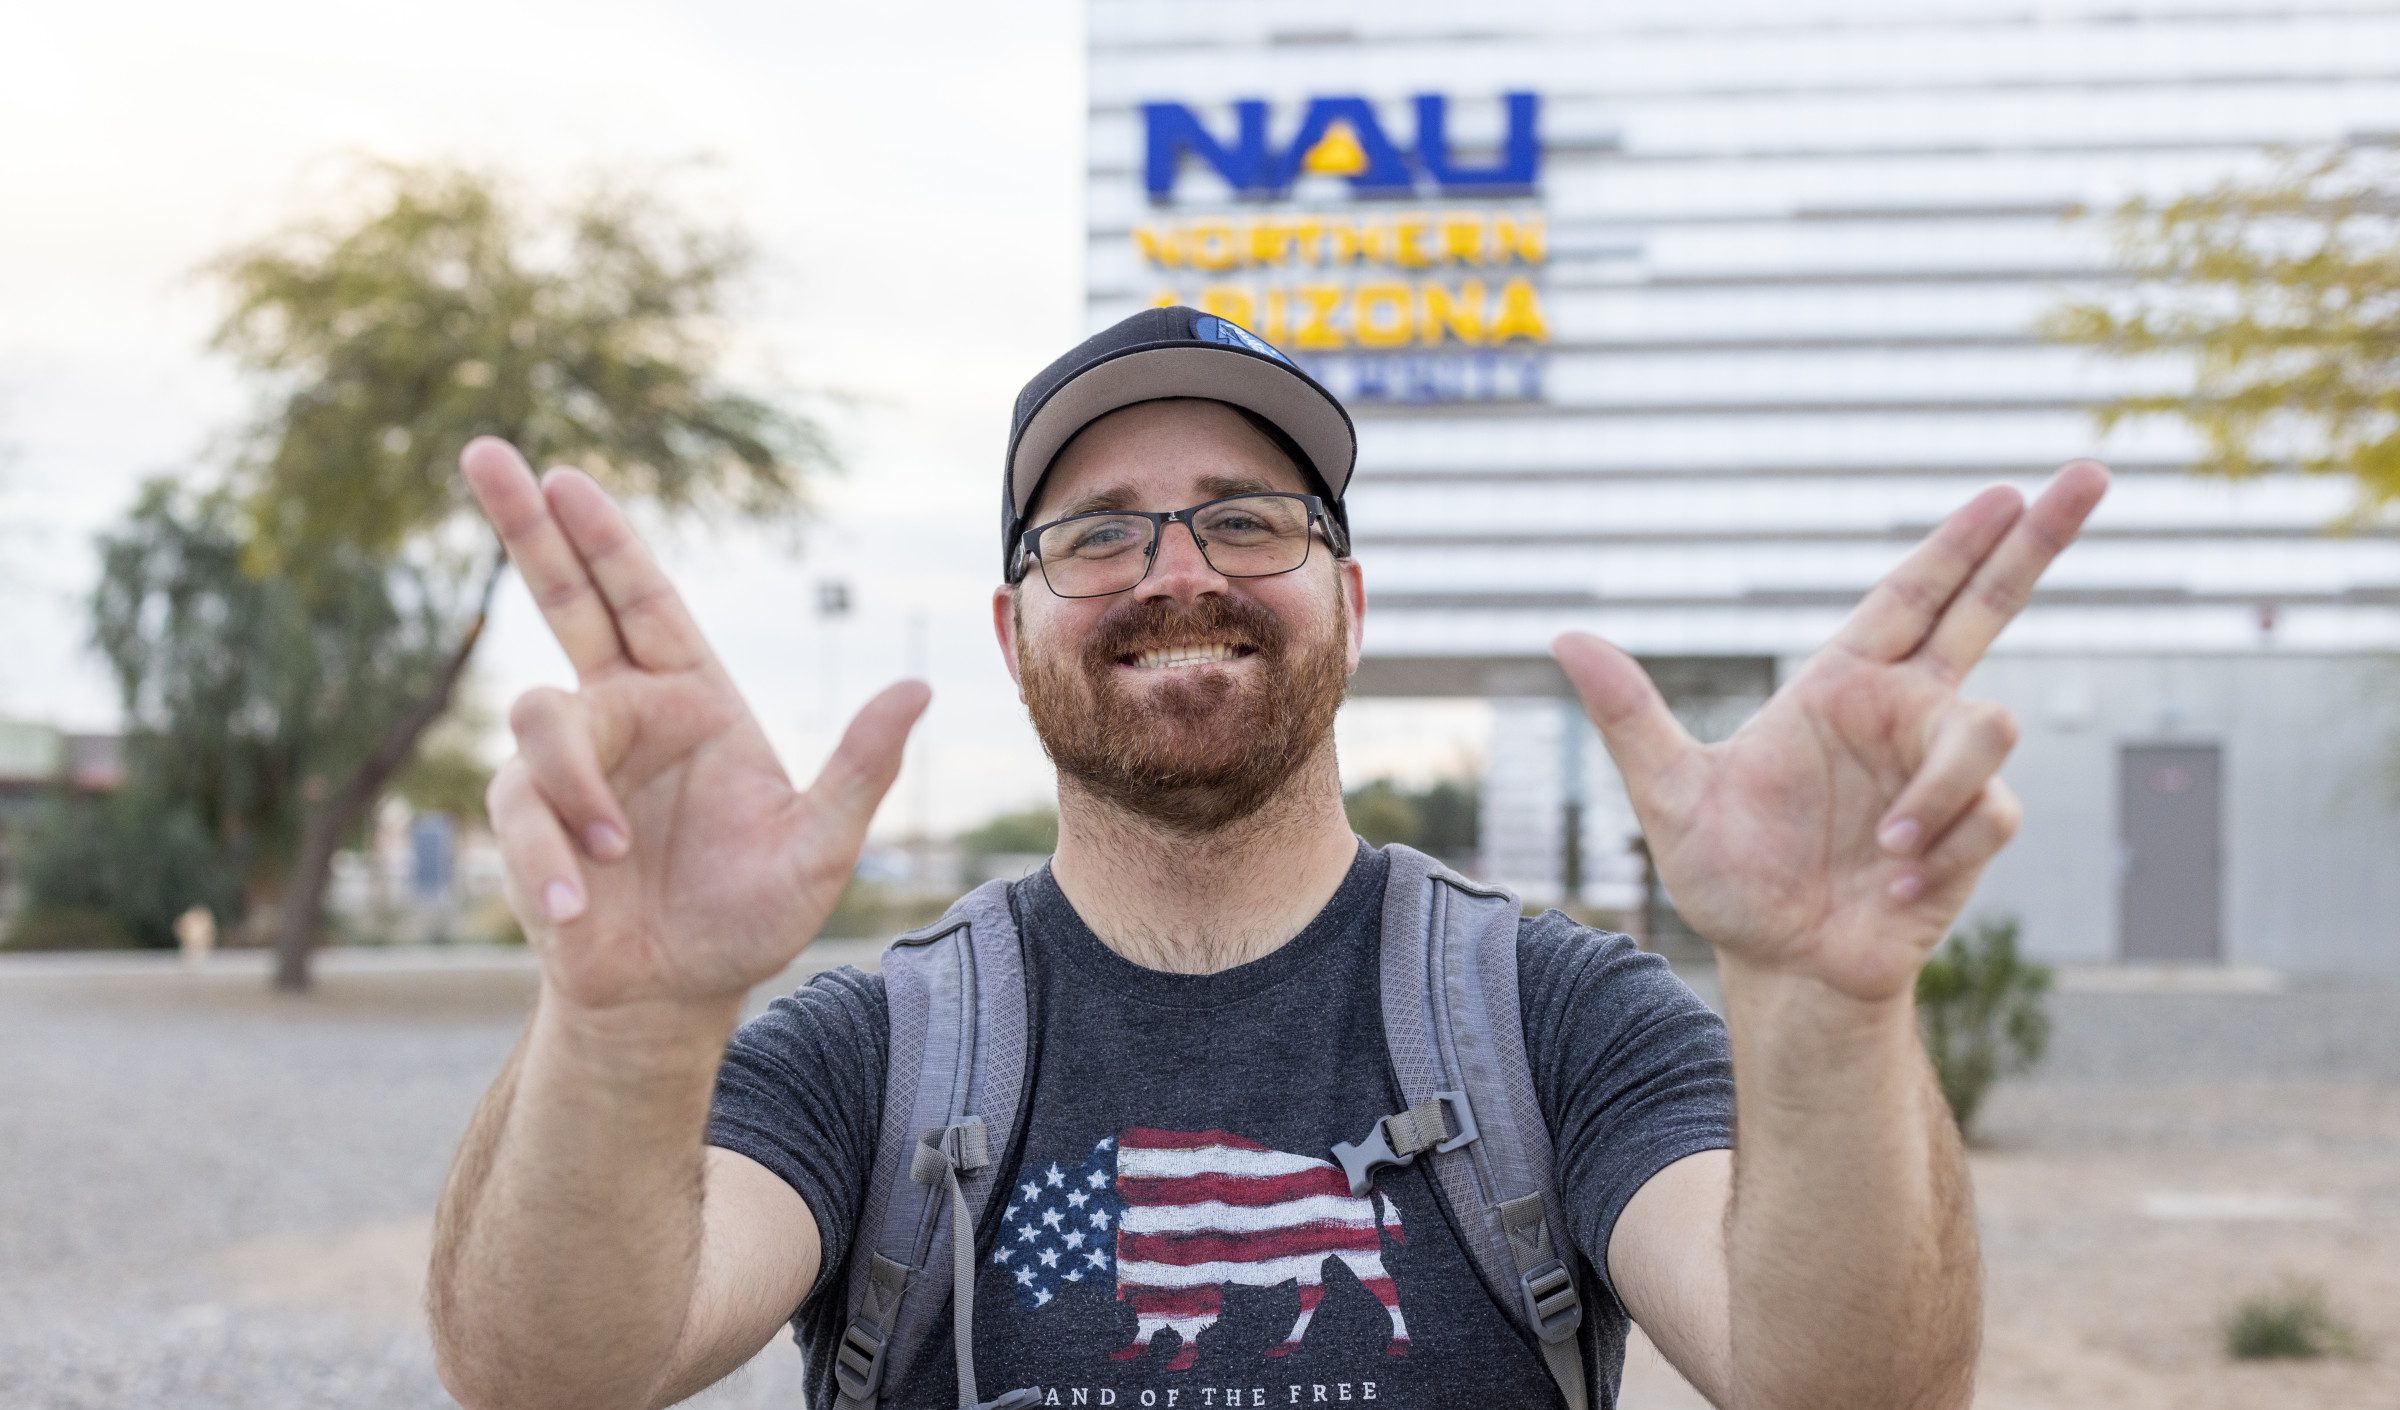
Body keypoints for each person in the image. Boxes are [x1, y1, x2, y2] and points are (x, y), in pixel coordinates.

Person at [425, 306, 2110, 1410]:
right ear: (1016, 634)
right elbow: (543, 1376)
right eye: (1099, 532)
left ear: (1350, 604)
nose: (1179, 570)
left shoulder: (1551, 1017)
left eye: (1249, 518)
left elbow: (1854, 1392)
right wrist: (628, 1024)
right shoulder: (873, 1051)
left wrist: (1820, 1004)